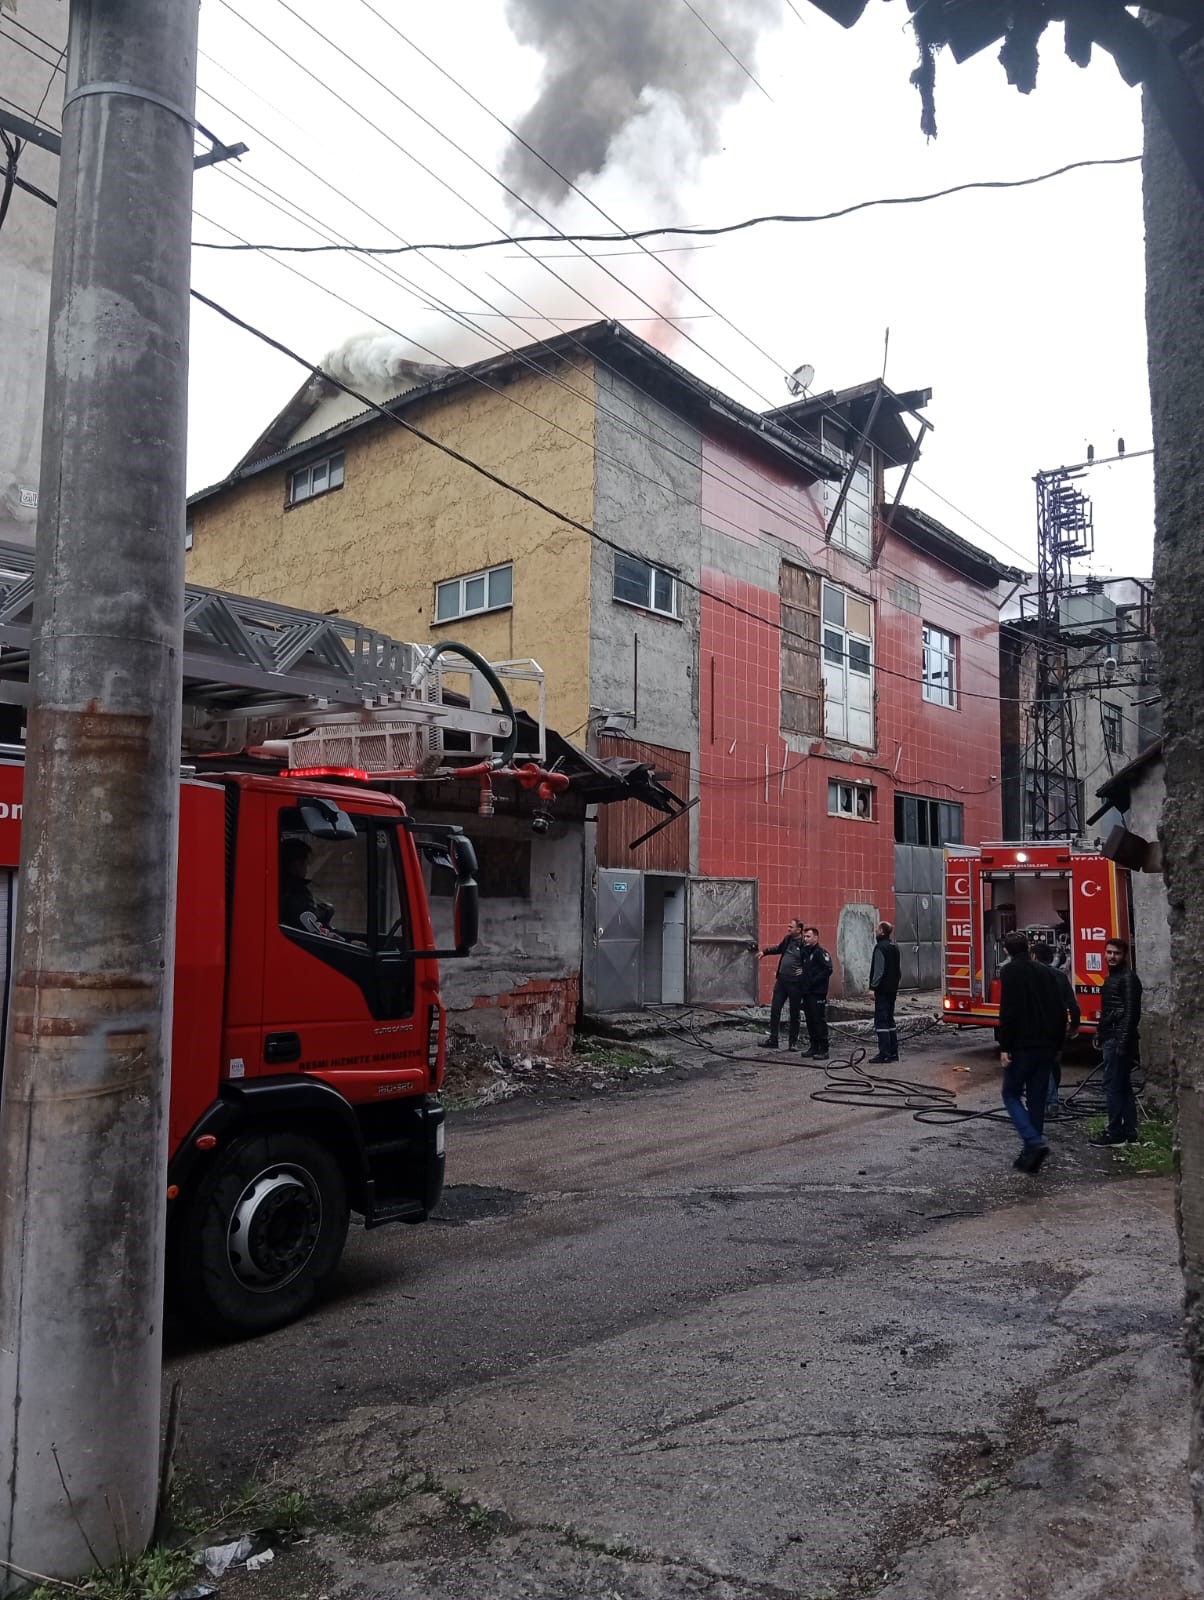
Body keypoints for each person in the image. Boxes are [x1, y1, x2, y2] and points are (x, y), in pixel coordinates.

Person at [997, 930, 1065, 1173]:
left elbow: (1008, 1011)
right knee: (1037, 1100)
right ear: (1028, 947)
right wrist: (1058, 1045)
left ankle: (1033, 1143)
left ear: (1006, 950)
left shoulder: (1009, 972)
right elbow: (1058, 1010)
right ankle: (1030, 1154)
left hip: (1023, 1046)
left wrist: (1004, 1046)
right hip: (1046, 1046)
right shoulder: (1047, 972)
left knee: (1011, 1093)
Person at [1090, 937, 1142, 1147]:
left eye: (1116, 953)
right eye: (1109, 952)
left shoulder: (1128, 979)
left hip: (1118, 1040)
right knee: (1123, 1085)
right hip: (1112, 1037)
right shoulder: (1113, 977)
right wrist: (1099, 1034)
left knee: (1112, 1086)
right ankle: (1129, 1132)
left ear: (1124, 956)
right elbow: (1111, 1011)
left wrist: (1121, 1042)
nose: (1112, 957)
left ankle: (1115, 1133)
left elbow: (1131, 1013)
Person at [1033, 939, 1080, 1115]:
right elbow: (1073, 1005)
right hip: (1059, 1028)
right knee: (1053, 1063)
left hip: (1040, 1027)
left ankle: (1050, 1102)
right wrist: (1074, 1025)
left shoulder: (1034, 976)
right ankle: (1051, 1097)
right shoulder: (1060, 976)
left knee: (1043, 1064)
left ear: (1034, 956)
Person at [758, 918, 807, 1049]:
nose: (788, 929)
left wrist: (805, 970)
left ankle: (793, 1043)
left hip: (795, 984)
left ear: (799, 929)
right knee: (775, 1009)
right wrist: (765, 952)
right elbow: (779, 948)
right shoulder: (788, 939)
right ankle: (773, 1039)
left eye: (791, 927)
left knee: (794, 1013)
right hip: (782, 981)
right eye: (788, 926)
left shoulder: (804, 944)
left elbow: (811, 961)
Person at [279, 837, 338, 937]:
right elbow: (311, 930)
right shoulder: (295, 892)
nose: (307, 868)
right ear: (298, 864)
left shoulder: (277, 887)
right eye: (306, 863)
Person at [868, 921, 901, 1063]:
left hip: (882, 990)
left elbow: (879, 970)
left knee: (881, 1022)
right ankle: (894, 1052)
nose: (875, 930)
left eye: (877, 928)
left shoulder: (880, 947)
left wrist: (873, 988)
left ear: (881, 931)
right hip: (892, 990)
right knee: (890, 1020)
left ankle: (884, 1053)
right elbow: (898, 971)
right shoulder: (894, 947)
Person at [799, 925, 834, 1060]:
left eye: (808, 936)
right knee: (810, 1020)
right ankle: (813, 1047)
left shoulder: (820, 952)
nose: (805, 939)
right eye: (805, 936)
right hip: (807, 992)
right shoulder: (806, 953)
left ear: (816, 937)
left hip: (817, 992)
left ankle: (823, 1049)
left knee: (818, 1020)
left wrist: (813, 981)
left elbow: (827, 970)